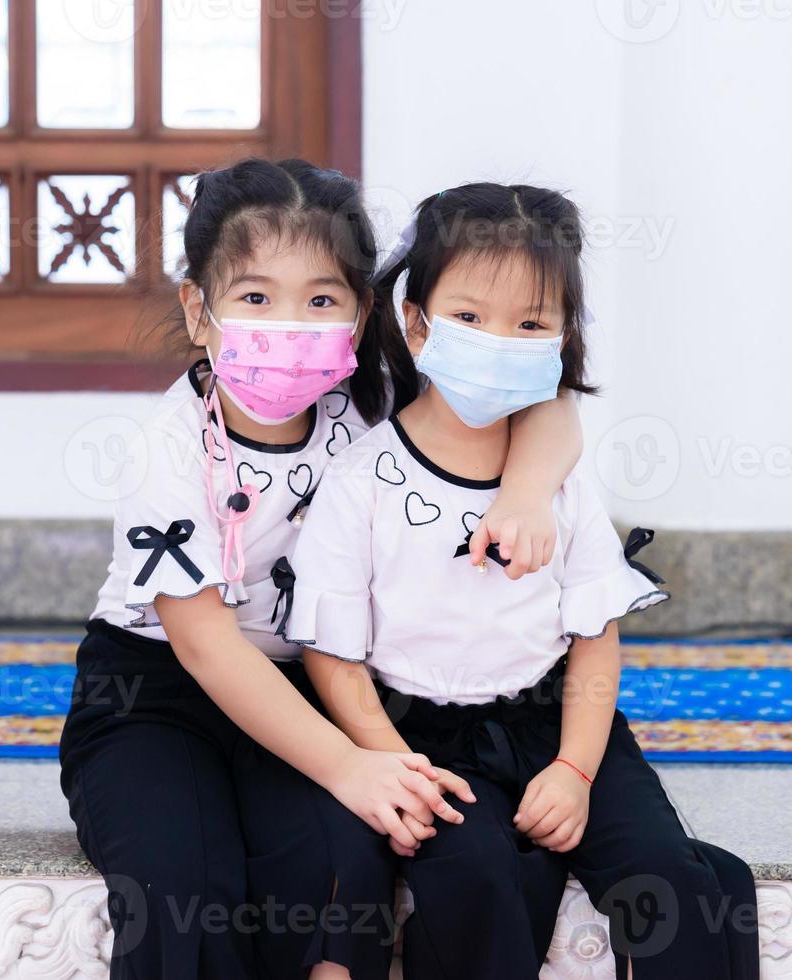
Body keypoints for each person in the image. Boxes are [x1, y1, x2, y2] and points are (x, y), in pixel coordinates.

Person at [58, 159, 584, 980]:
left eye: (323, 299)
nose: (292, 323)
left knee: (340, 872)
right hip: (155, 696)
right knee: (184, 885)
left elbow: (544, 405)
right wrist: (347, 763)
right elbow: (205, 647)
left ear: (365, 310)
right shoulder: (167, 447)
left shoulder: (373, 401)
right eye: (257, 298)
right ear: (200, 309)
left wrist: (523, 492)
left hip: (310, 686)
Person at [288, 182, 760, 980]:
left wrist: (576, 770)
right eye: (469, 318)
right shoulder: (361, 479)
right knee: (477, 886)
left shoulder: (558, 480)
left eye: (531, 324)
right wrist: (390, 764)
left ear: (562, 337)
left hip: (556, 723)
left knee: (680, 884)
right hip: (424, 741)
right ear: (416, 321)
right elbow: (332, 654)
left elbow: (594, 640)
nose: (499, 342)